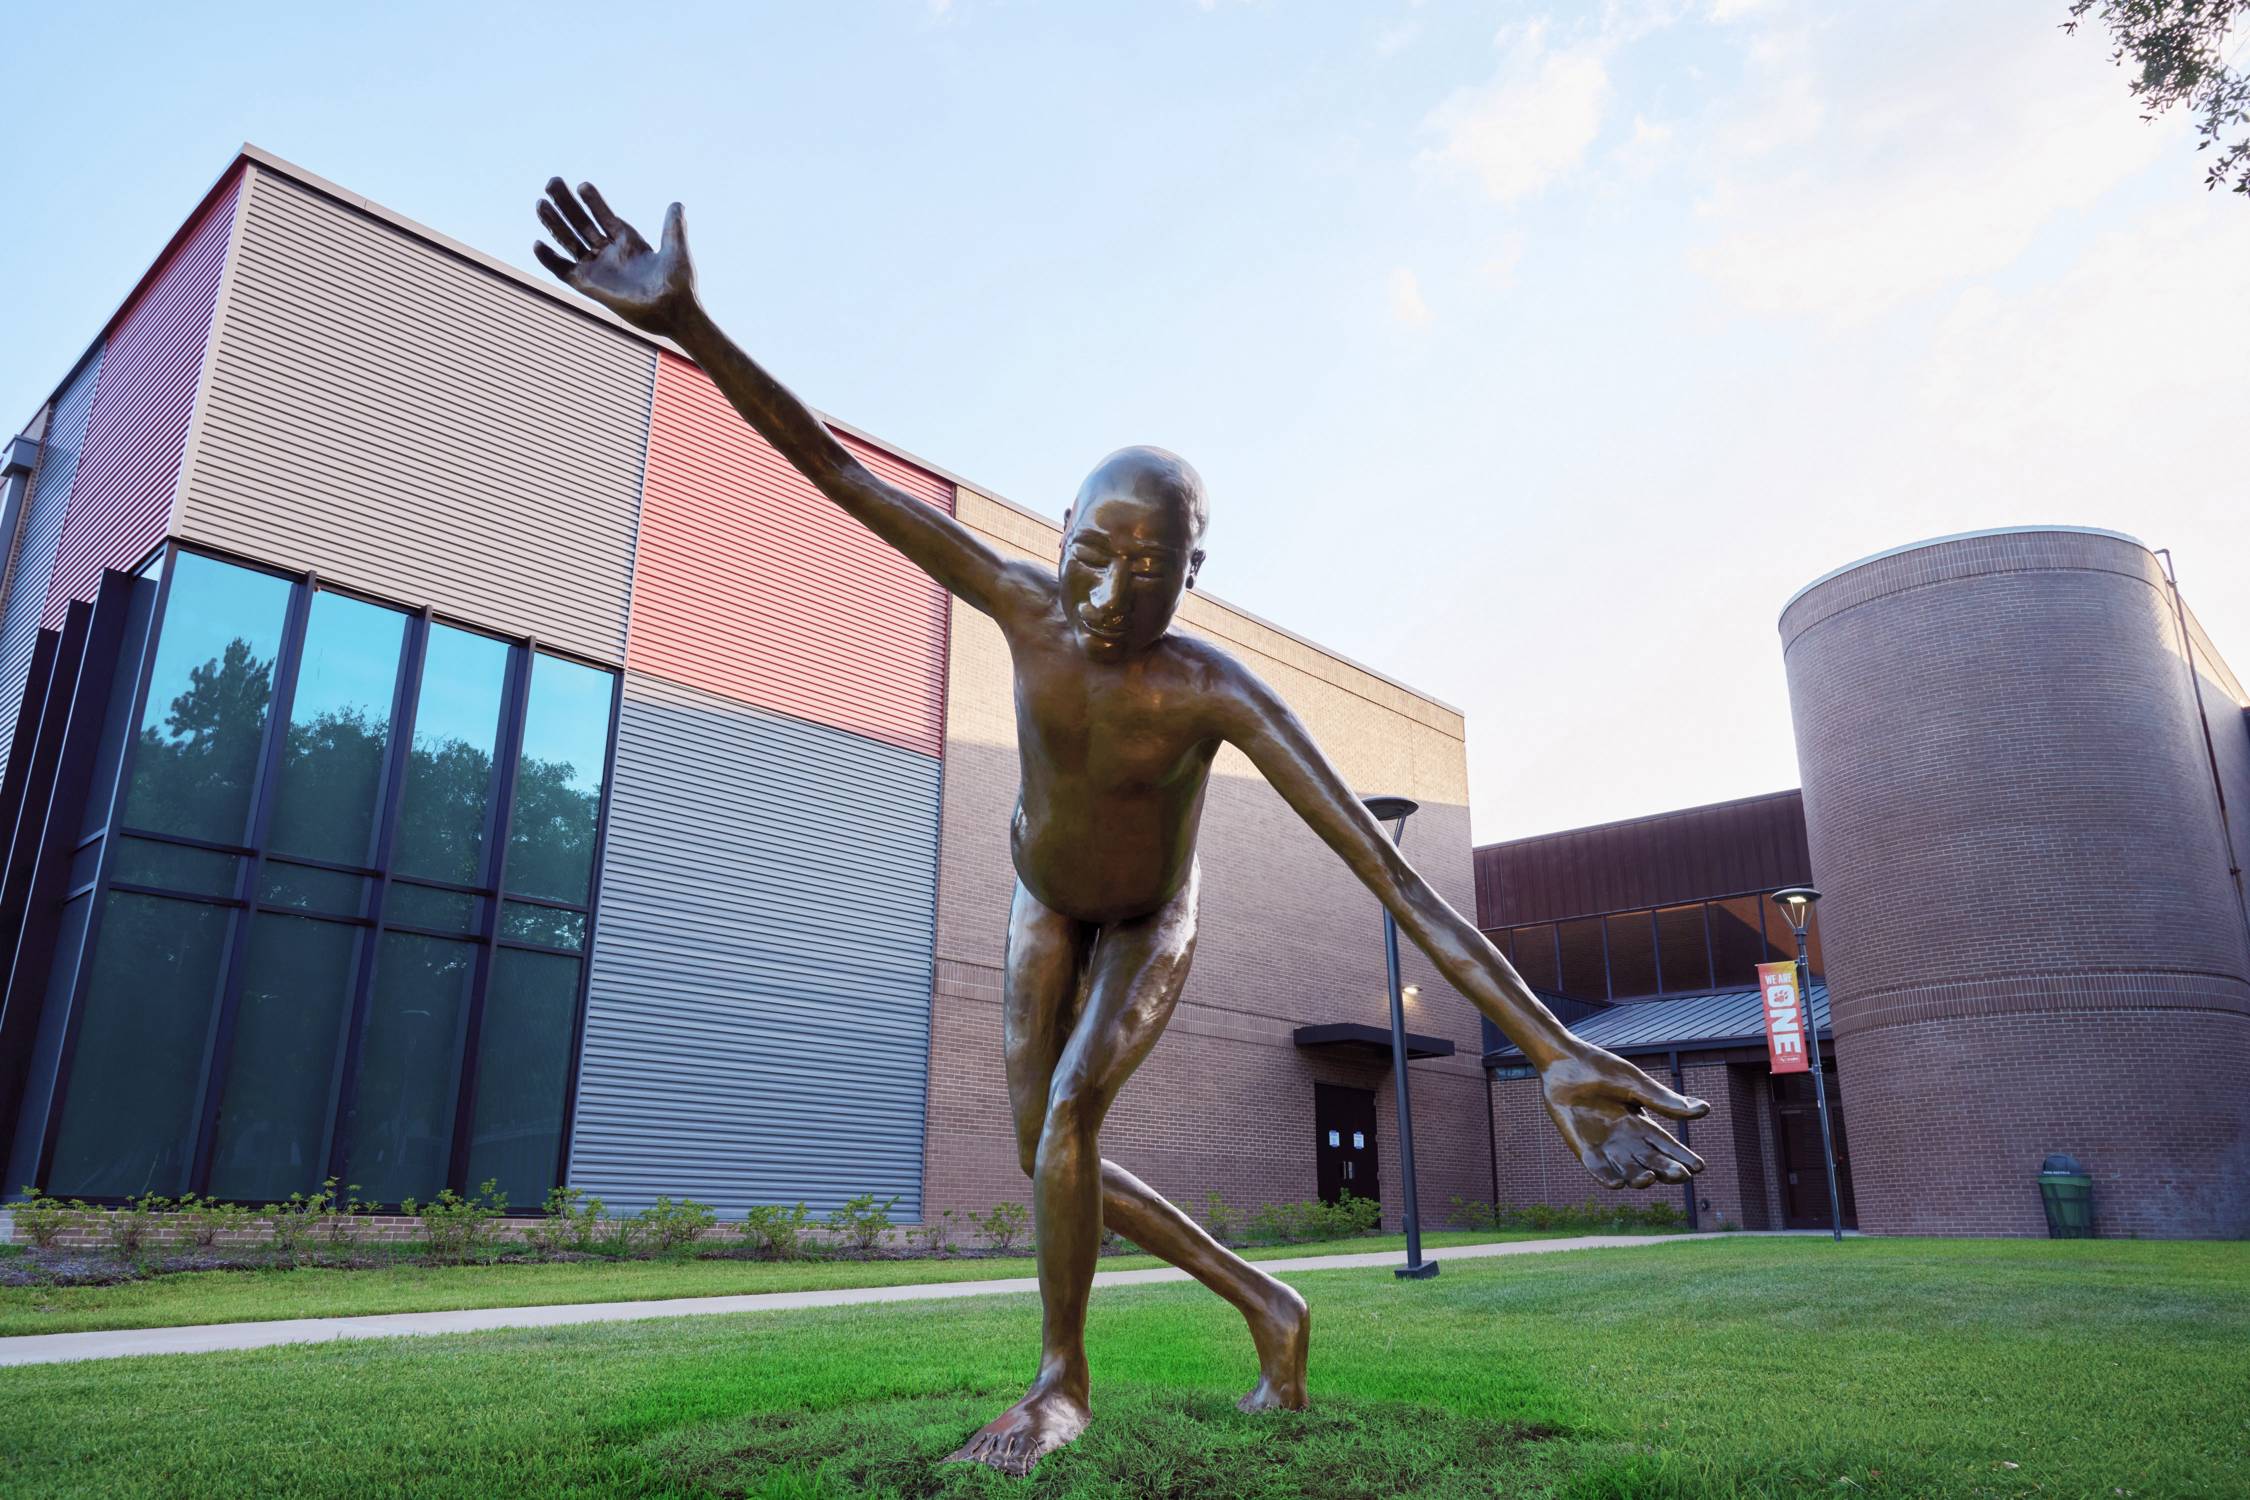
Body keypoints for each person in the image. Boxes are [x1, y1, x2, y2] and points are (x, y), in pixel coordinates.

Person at [533, 179, 1708, 1476]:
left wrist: (1546, 1047)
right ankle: (1269, 1305)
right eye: (1092, 553)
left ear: (1191, 578)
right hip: (1040, 899)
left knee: (1067, 1126)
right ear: (1063, 536)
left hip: (1150, 919)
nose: (1107, 592)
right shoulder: (1021, 604)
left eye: (1147, 575)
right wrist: (693, 325)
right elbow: (828, 467)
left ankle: (1060, 1385)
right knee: (1056, 1152)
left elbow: (1392, 880)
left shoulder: (1214, 696)